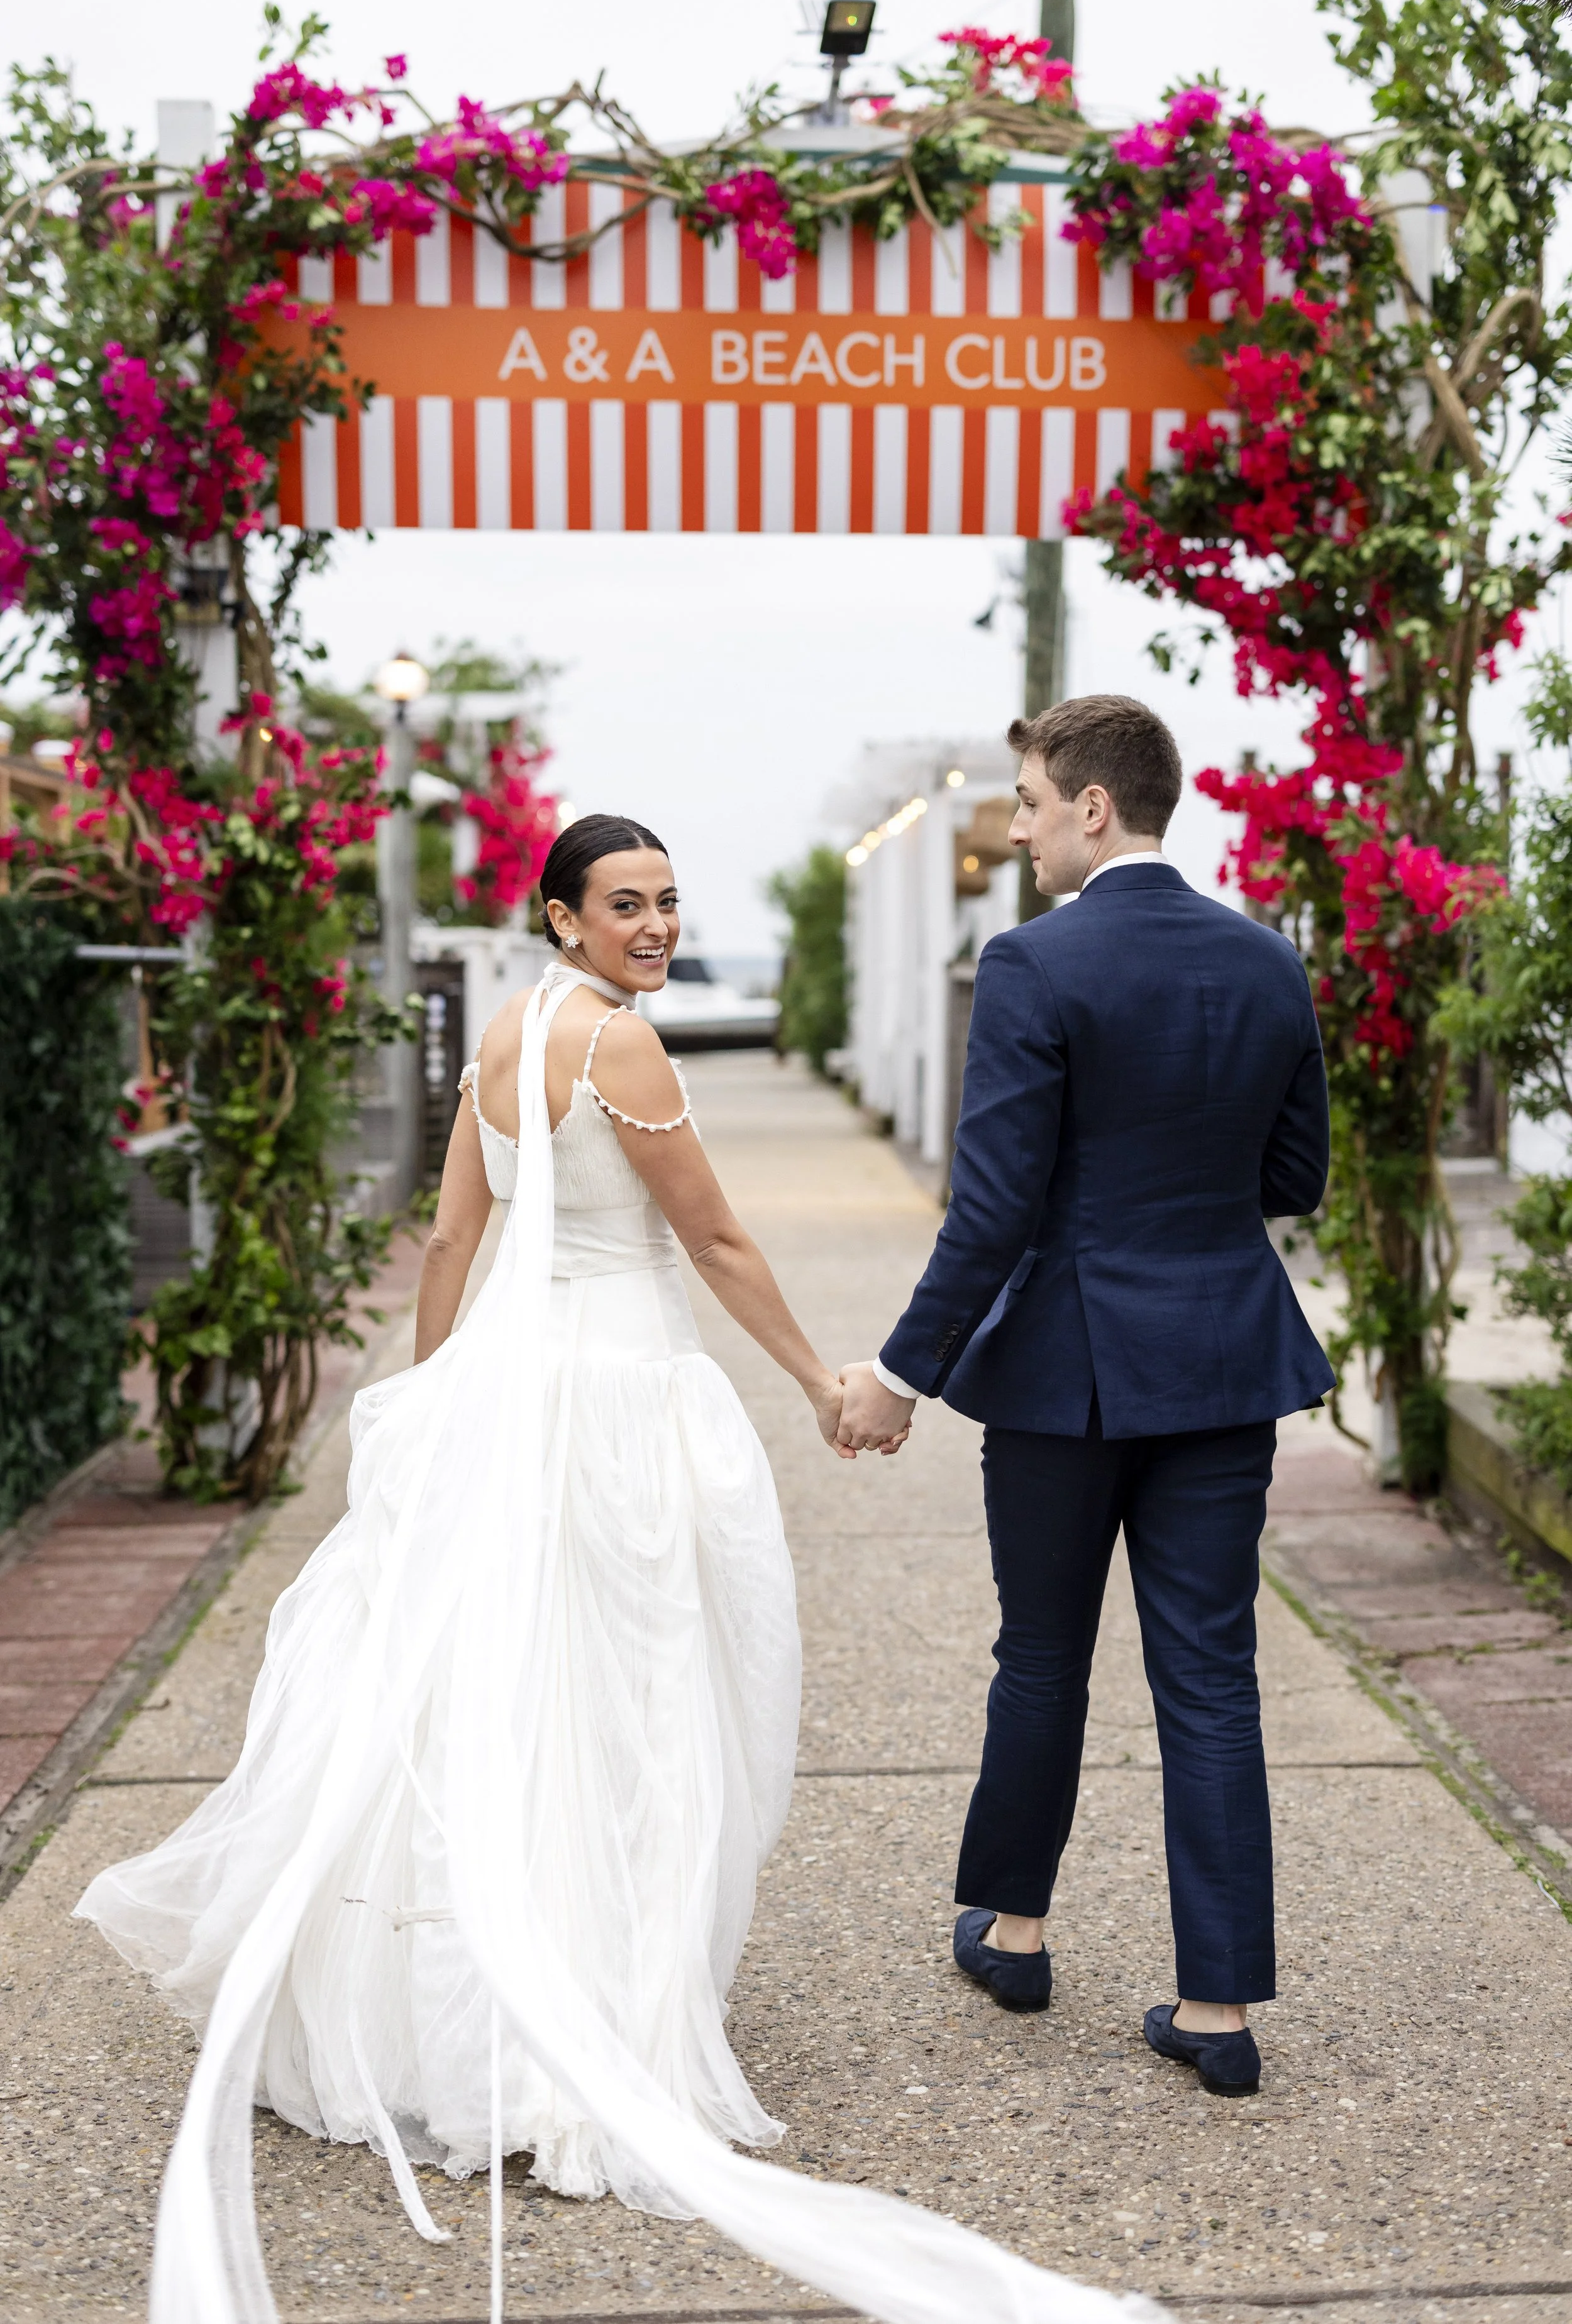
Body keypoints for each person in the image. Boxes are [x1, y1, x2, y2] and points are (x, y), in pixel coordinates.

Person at [76, 813, 1140, 2324]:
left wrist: (436, 1403)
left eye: (666, 902)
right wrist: (823, 1380)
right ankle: (597, 2018)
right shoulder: (622, 1052)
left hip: (517, 1398)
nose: (652, 924)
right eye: (624, 904)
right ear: (562, 915)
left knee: (513, 1701)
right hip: (620, 1402)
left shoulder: (506, 1032)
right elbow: (708, 1241)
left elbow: (456, 1241)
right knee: (633, 1706)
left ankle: (477, 2010)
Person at [838, 696, 1334, 2100]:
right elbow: (1292, 1178)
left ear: (1093, 808)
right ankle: (1219, 2007)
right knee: (1210, 1678)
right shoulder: (1265, 962)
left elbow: (989, 1212)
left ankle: (1014, 1929)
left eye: (1032, 801)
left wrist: (896, 1373)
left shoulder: (1033, 965)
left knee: (1042, 1655)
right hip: (1223, 1361)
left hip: (1064, 1371)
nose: (1019, 826)